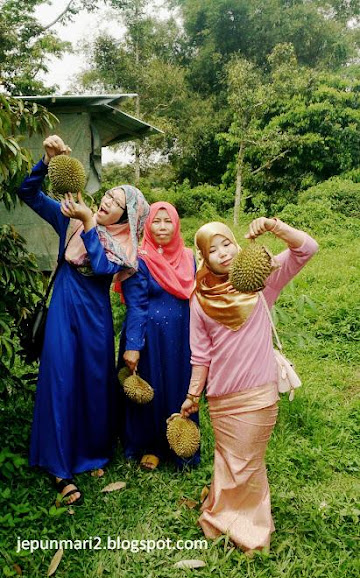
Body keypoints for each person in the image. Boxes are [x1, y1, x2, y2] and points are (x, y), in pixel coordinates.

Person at [18, 135, 150, 504]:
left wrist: (90, 220)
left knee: (93, 381)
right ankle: (59, 468)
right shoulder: (72, 221)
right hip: (64, 306)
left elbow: (104, 264)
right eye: (107, 195)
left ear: (127, 216)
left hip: (95, 315)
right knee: (60, 378)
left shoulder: (123, 244)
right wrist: (44, 161)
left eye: (117, 203)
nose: (106, 201)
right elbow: (27, 194)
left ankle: (90, 452)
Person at [181, 217, 318, 551]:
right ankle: (221, 513)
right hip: (221, 397)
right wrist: (192, 396)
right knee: (227, 459)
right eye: (213, 250)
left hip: (258, 394)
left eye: (227, 243)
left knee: (249, 465)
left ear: (237, 244)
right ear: (203, 257)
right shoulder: (199, 299)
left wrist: (274, 227)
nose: (223, 253)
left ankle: (252, 531)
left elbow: (306, 249)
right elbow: (201, 355)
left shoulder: (260, 282)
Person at [118, 201, 199, 470]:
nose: (162, 227)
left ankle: (182, 447)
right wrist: (133, 345)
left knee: (179, 386)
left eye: (168, 221)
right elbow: (136, 305)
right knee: (150, 389)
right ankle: (150, 446)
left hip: (181, 334)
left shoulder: (189, 257)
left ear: (176, 224)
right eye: (156, 221)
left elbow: (202, 295)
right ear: (147, 225)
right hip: (149, 336)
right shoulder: (139, 259)